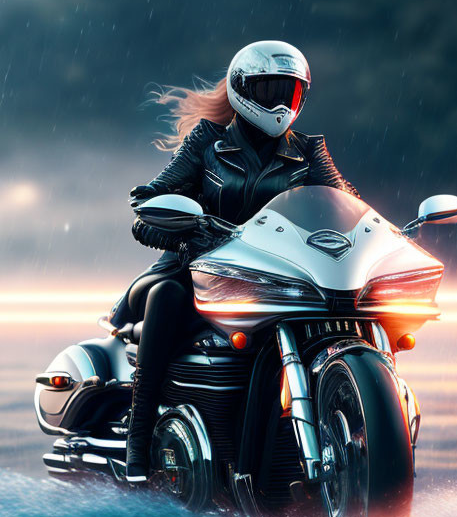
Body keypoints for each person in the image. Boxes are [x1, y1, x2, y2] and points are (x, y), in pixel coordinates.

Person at [112, 40, 358, 482]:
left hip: (277, 279)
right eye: (269, 90)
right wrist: (189, 233)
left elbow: (347, 203)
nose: (281, 102)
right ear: (241, 90)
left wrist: (378, 231)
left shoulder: (308, 150)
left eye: (291, 91)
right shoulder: (207, 143)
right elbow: (146, 206)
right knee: (168, 296)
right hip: (202, 271)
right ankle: (140, 431)